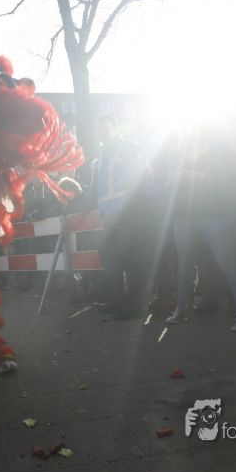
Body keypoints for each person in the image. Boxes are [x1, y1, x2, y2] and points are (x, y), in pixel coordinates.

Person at [164, 122, 236, 332]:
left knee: (229, 265)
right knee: (184, 266)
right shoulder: (180, 156)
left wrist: (194, 175)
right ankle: (181, 309)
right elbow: (168, 184)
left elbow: (229, 181)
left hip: (216, 216)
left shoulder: (220, 153)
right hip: (184, 216)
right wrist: (173, 178)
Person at [93, 115, 153, 320]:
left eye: (105, 128)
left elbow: (141, 181)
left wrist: (130, 211)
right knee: (111, 263)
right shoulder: (102, 155)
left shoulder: (130, 149)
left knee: (133, 263)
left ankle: (135, 308)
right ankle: (116, 303)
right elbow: (100, 188)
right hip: (108, 217)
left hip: (130, 214)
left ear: (116, 128)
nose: (102, 133)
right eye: (99, 129)